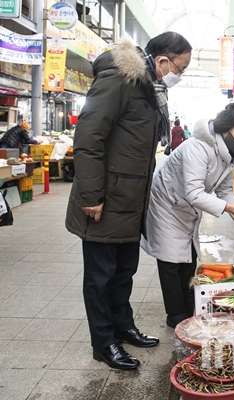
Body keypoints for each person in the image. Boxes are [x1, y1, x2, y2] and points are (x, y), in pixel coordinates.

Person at [65, 32, 192, 370]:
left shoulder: (150, 87)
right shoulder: (119, 79)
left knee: (124, 271)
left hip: (130, 199)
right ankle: (104, 343)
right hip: (104, 199)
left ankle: (123, 327)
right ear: (162, 60)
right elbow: (89, 138)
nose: (181, 74)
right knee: (100, 276)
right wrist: (92, 195)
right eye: (181, 67)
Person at [141, 103, 234, 328]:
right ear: (224, 129)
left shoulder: (230, 154)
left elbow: (224, 190)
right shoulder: (198, 147)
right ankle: (175, 316)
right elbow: (194, 192)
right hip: (167, 203)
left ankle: (188, 310)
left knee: (187, 256)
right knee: (170, 259)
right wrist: (229, 208)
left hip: (186, 206)